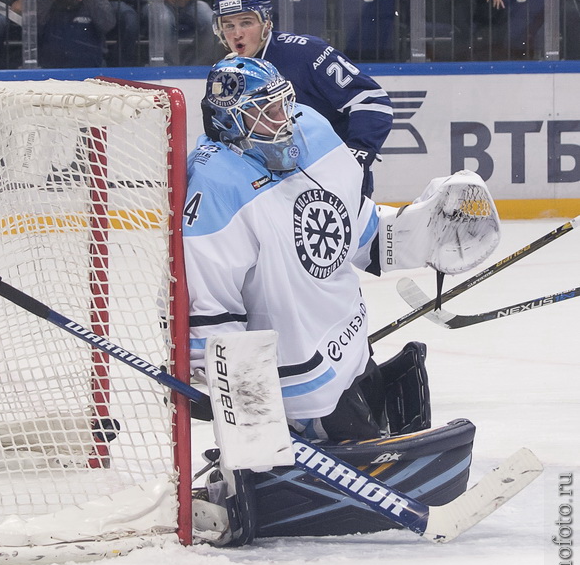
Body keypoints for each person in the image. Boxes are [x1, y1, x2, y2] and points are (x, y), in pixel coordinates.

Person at [184, 56, 500, 443]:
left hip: (352, 340)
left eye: (284, 103)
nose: (284, 120)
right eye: (266, 112)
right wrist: (246, 409)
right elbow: (211, 307)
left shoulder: (310, 128)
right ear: (229, 122)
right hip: (300, 385)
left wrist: (416, 233)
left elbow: (348, 222)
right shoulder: (215, 185)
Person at [211, 0, 391, 196]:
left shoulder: (306, 53)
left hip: (331, 179)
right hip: (273, 187)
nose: (236, 33)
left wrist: (358, 152)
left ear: (266, 22)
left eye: (246, 22)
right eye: (228, 25)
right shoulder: (228, 74)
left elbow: (371, 100)